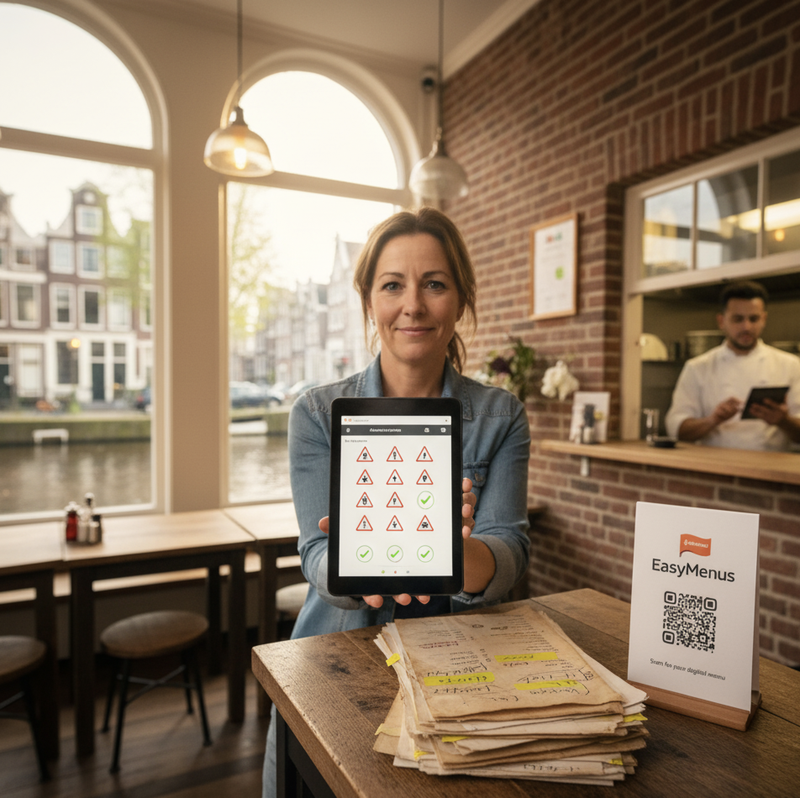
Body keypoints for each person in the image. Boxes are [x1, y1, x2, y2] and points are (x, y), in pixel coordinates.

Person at [262, 208, 531, 796]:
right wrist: (358, 559)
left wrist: (453, 552)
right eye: (393, 285)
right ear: (369, 301)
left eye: (434, 283)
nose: (413, 304)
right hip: (334, 649)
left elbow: (509, 550)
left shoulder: (500, 414)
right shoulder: (315, 413)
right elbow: (315, 556)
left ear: (460, 300)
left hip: (458, 662)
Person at [665, 281, 800, 451]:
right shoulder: (698, 367)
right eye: (738, 319)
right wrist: (713, 419)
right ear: (721, 321)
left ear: (764, 319)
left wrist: (783, 420)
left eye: (754, 319)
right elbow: (677, 431)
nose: (746, 327)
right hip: (717, 469)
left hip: (770, 469)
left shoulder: (790, 365)